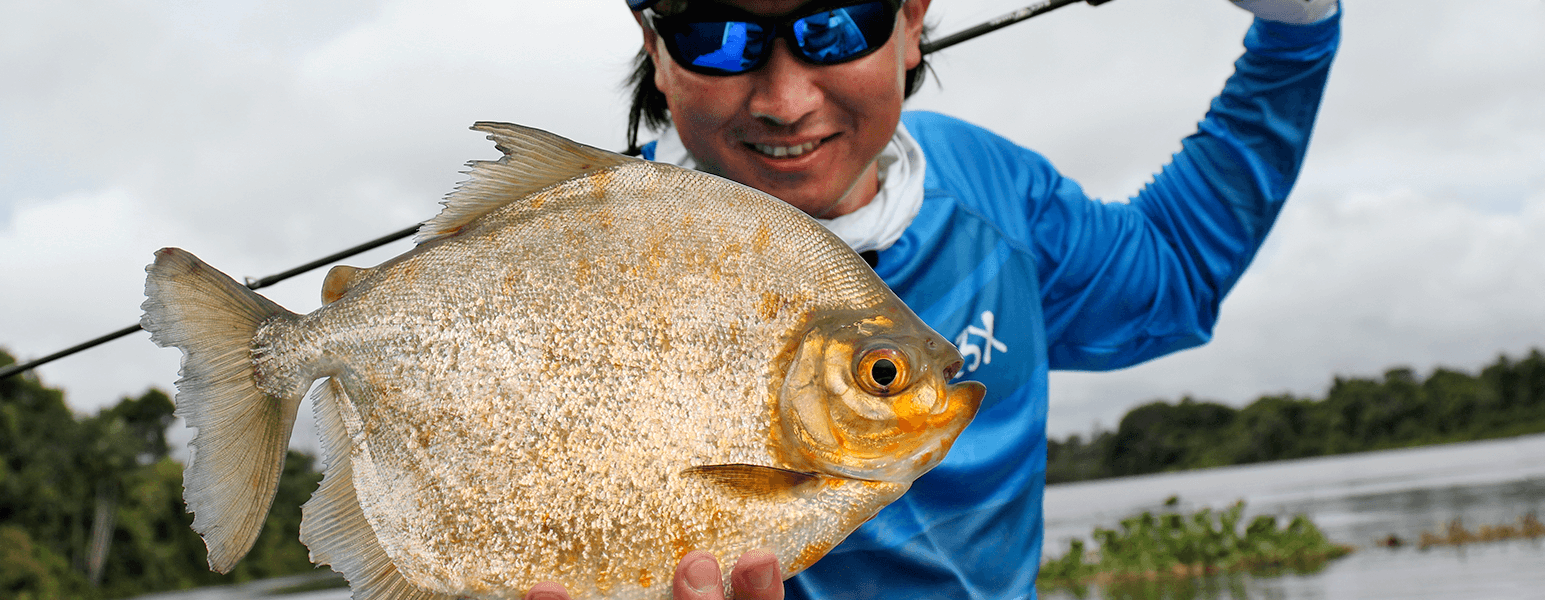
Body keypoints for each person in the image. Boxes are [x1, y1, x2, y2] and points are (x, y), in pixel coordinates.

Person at [531, 0, 1341, 598]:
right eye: (717, 36)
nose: (785, 100)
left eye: (835, 25)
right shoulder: (562, 272)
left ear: (912, 20)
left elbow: (1173, 270)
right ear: (657, 48)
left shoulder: (995, 195)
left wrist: (1294, 33)